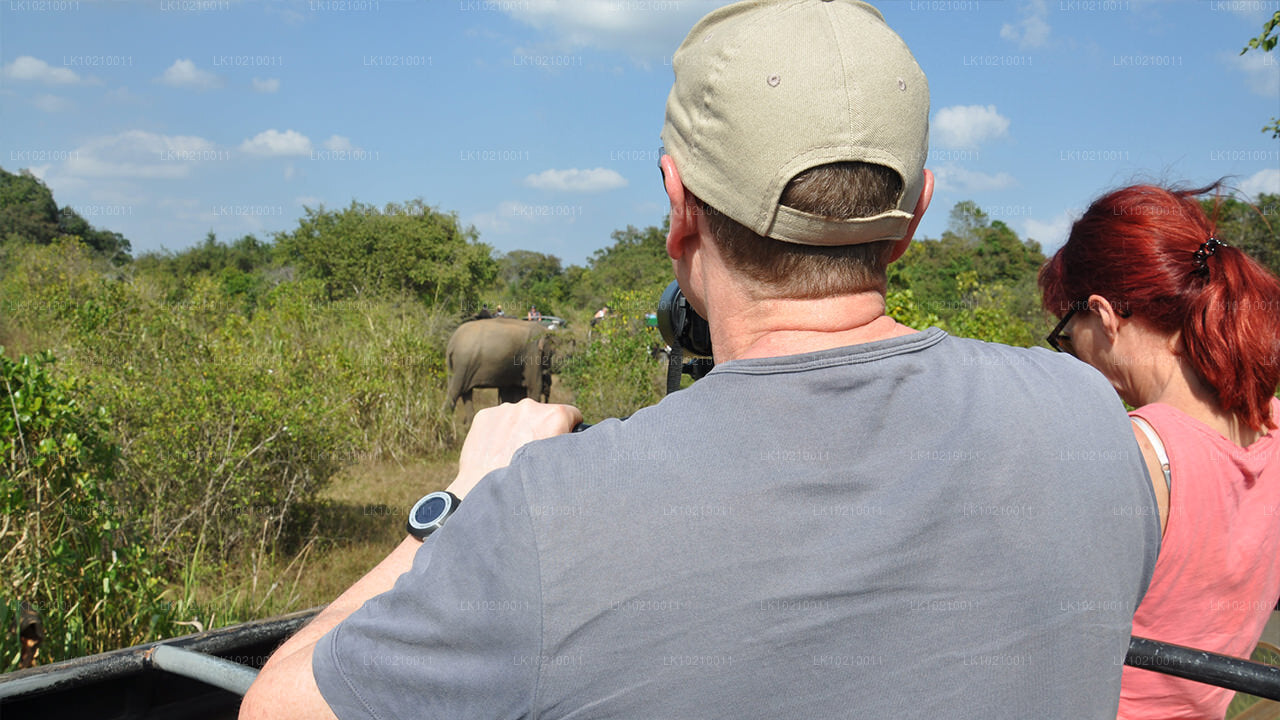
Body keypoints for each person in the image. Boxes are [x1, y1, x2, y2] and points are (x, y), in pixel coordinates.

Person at [241, 2, 1158, 718]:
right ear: (916, 216)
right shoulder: (1093, 420)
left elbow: (279, 710)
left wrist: (452, 509)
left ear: (678, 206)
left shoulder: (544, 512)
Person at [1039, 183, 1280, 719]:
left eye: (1067, 336)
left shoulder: (1135, 451)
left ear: (1103, 317)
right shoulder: (1272, 422)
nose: (1076, 358)